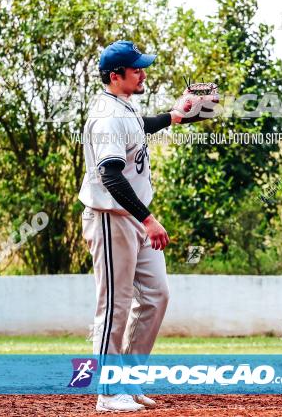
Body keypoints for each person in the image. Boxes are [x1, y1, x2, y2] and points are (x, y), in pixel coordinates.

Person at [78, 40, 210, 412]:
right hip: (111, 218)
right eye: (136, 69)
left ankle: (129, 381)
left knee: (156, 295)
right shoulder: (107, 115)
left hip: (132, 219)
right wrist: (148, 219)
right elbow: (110, 175)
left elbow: (139, 126)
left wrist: (176, 116)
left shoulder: (124, 107)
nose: (143, 72)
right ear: (115, 75)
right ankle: (107, 393)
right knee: (115, 306)